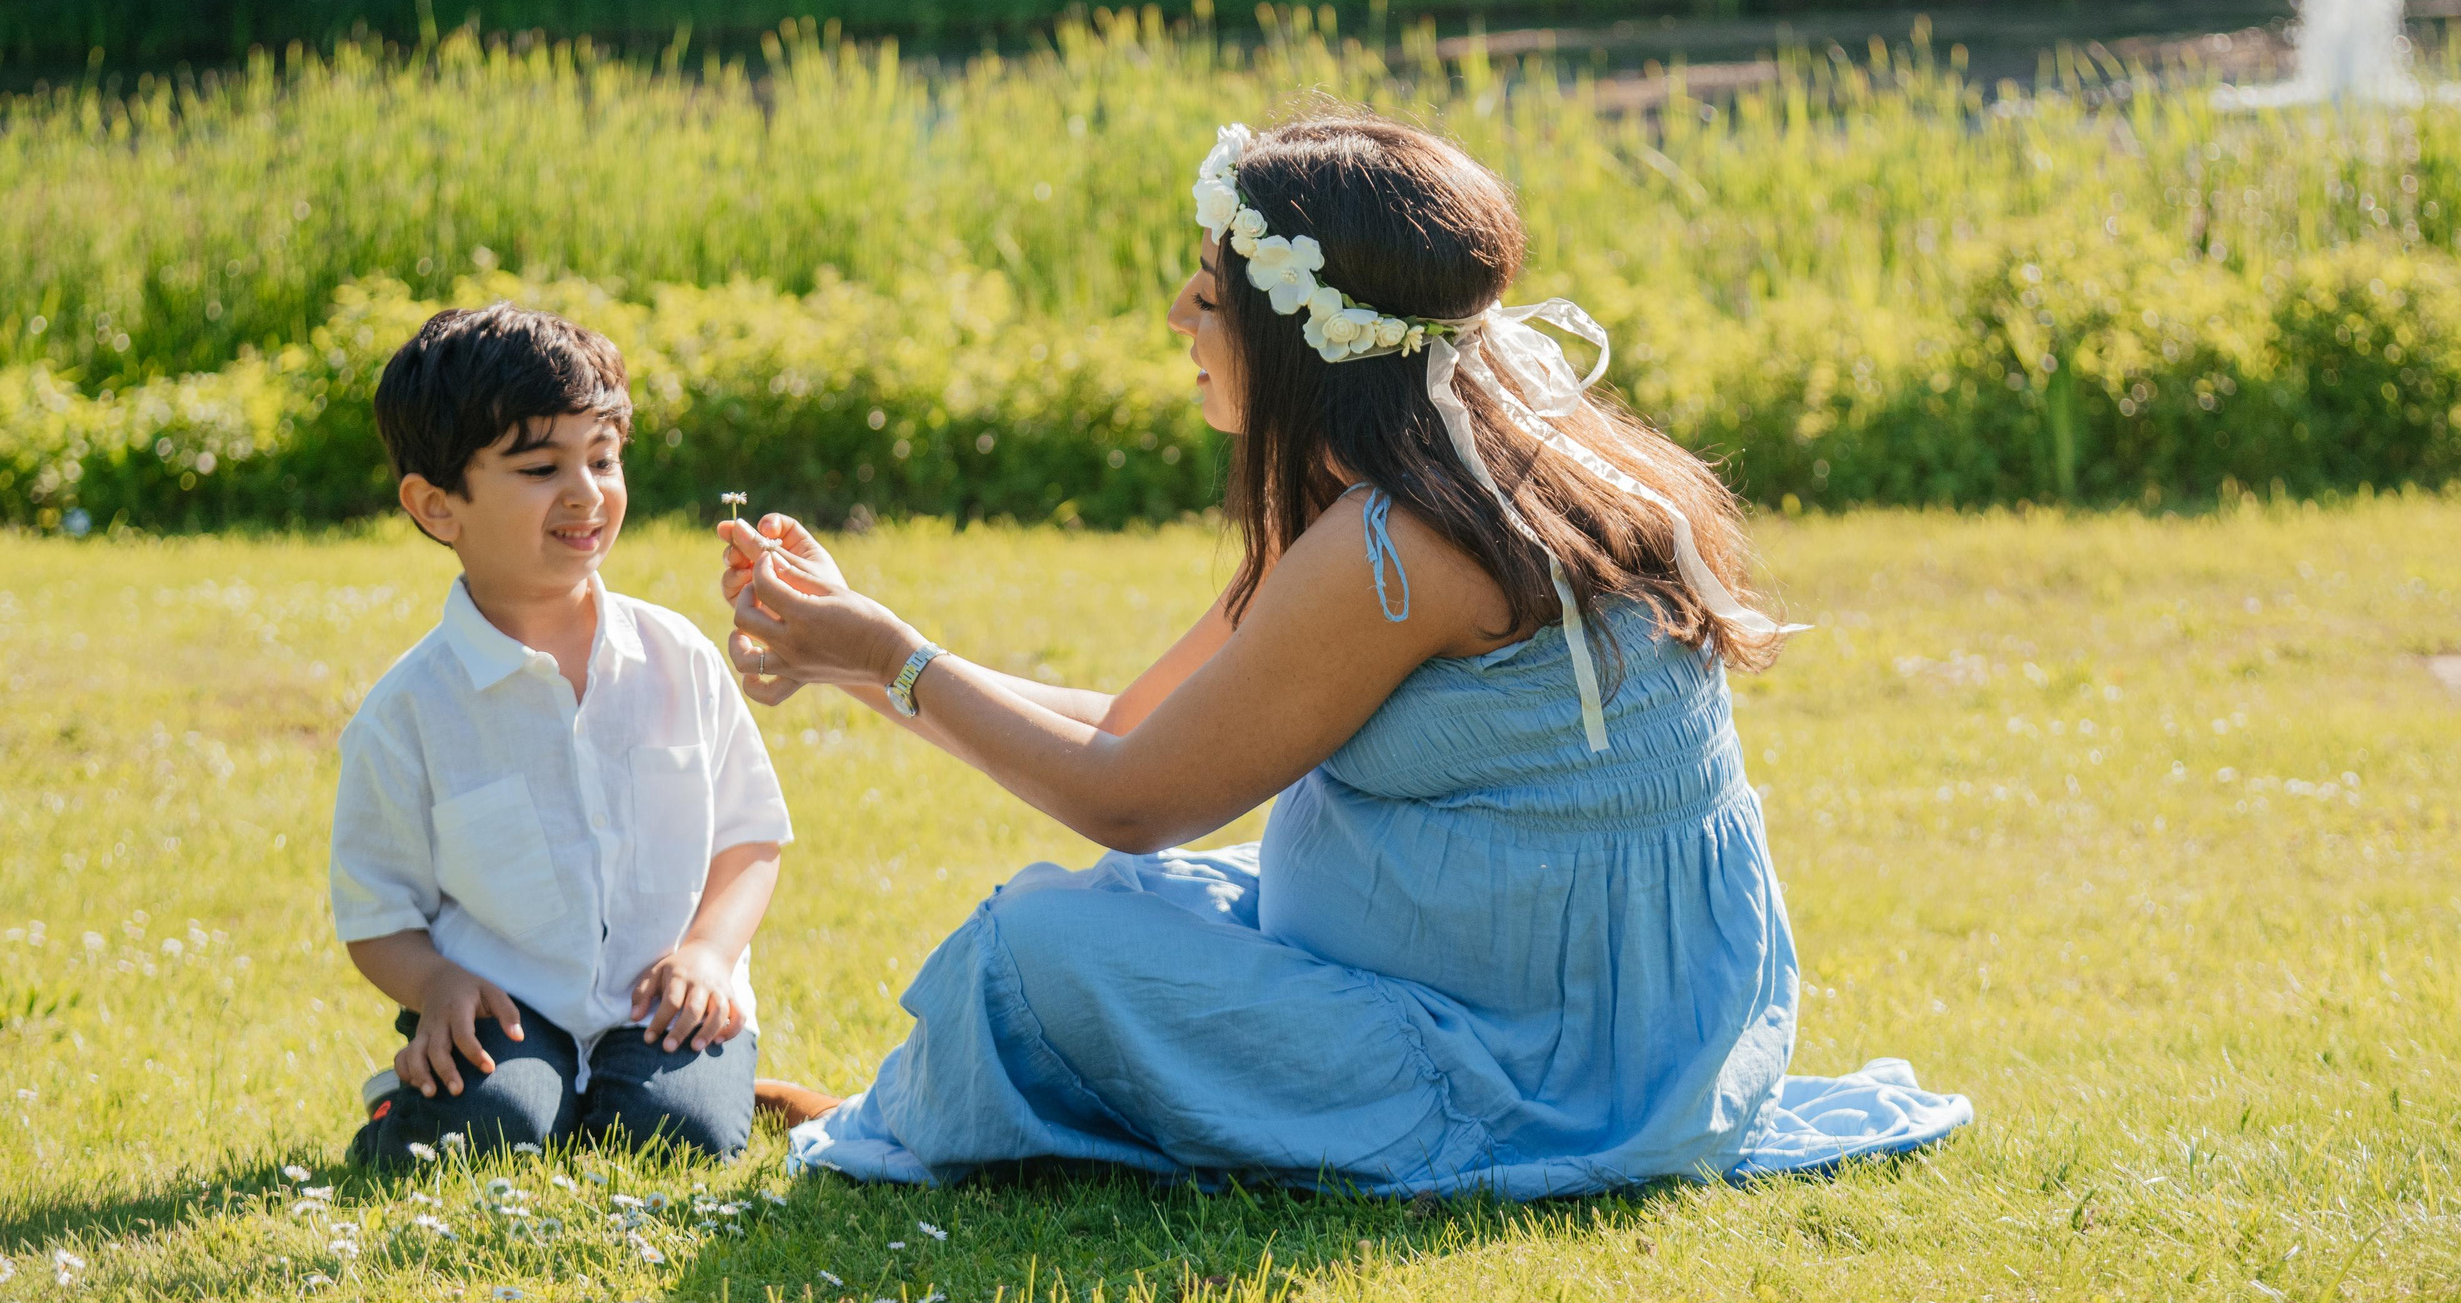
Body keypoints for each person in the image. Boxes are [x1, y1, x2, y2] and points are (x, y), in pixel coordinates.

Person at [728, 114, 1970, 1195]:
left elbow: (1133, 797)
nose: (1178, 314)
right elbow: (1134, 719)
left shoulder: (1397, 540)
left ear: (1301, 338)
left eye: (1210, 296)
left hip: (1529, 1060)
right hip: (1557, 1010)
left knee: (1039, 942)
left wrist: (894, 656)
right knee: (1091, 928)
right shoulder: (1447, 456)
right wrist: (856, 653)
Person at [332, 303, 793, 1166]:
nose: (586, 492)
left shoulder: (678, 660)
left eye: (604, 458)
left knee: (678, 1136)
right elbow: (377, 912)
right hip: (501, 1010)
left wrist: (707, 950)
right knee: (491, 1131)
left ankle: (705, 1085)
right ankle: (413, 1108)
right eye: (541, 466)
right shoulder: (409, 713)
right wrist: (434, 983)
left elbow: (751, 836)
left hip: (667, 1000)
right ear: (437, 507)